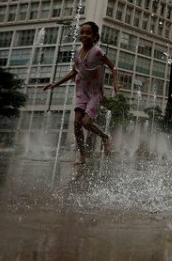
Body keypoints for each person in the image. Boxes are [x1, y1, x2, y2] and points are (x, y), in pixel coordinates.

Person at [43, 21, 119, 165]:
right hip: (81, 89)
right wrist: (55, 84)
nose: (84, 35)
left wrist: (115, 82)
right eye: (82, 32)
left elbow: (113, 67)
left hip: (95, 91)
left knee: (86, 122)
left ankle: (104, 136)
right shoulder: (78, 52)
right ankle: (83, 157)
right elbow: (74, 72)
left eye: (88, 32)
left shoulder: (97, 52)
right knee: (77, 123)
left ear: (95, 36)